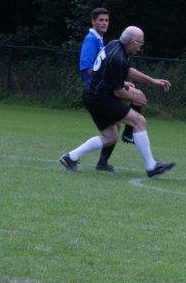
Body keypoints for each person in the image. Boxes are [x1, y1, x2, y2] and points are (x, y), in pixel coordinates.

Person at [60, 26, 175, 178]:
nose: (141, 46)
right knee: (139, 121)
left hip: (92, 95)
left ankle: (71, 157)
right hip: (100, 98)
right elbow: (117, 91)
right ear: (132, 42)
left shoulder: (115, 44)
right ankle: (151, 166)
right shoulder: (118, 57)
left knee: (111, 136)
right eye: (140, 42)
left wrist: (152, 81)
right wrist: (134, 97)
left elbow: (126, 70)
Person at [78, 7, 135, 172]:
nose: (104, 23)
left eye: (107, 20)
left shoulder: (100, 40)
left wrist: (122, 81)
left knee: (115, 127)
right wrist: (112, 82)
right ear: (93, 21)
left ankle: (102, 162)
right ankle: (129, 133)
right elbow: (87, 67)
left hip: (103, 90)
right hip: (97, 92)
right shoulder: (91, 40)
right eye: (101, 20)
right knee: (116, 126)